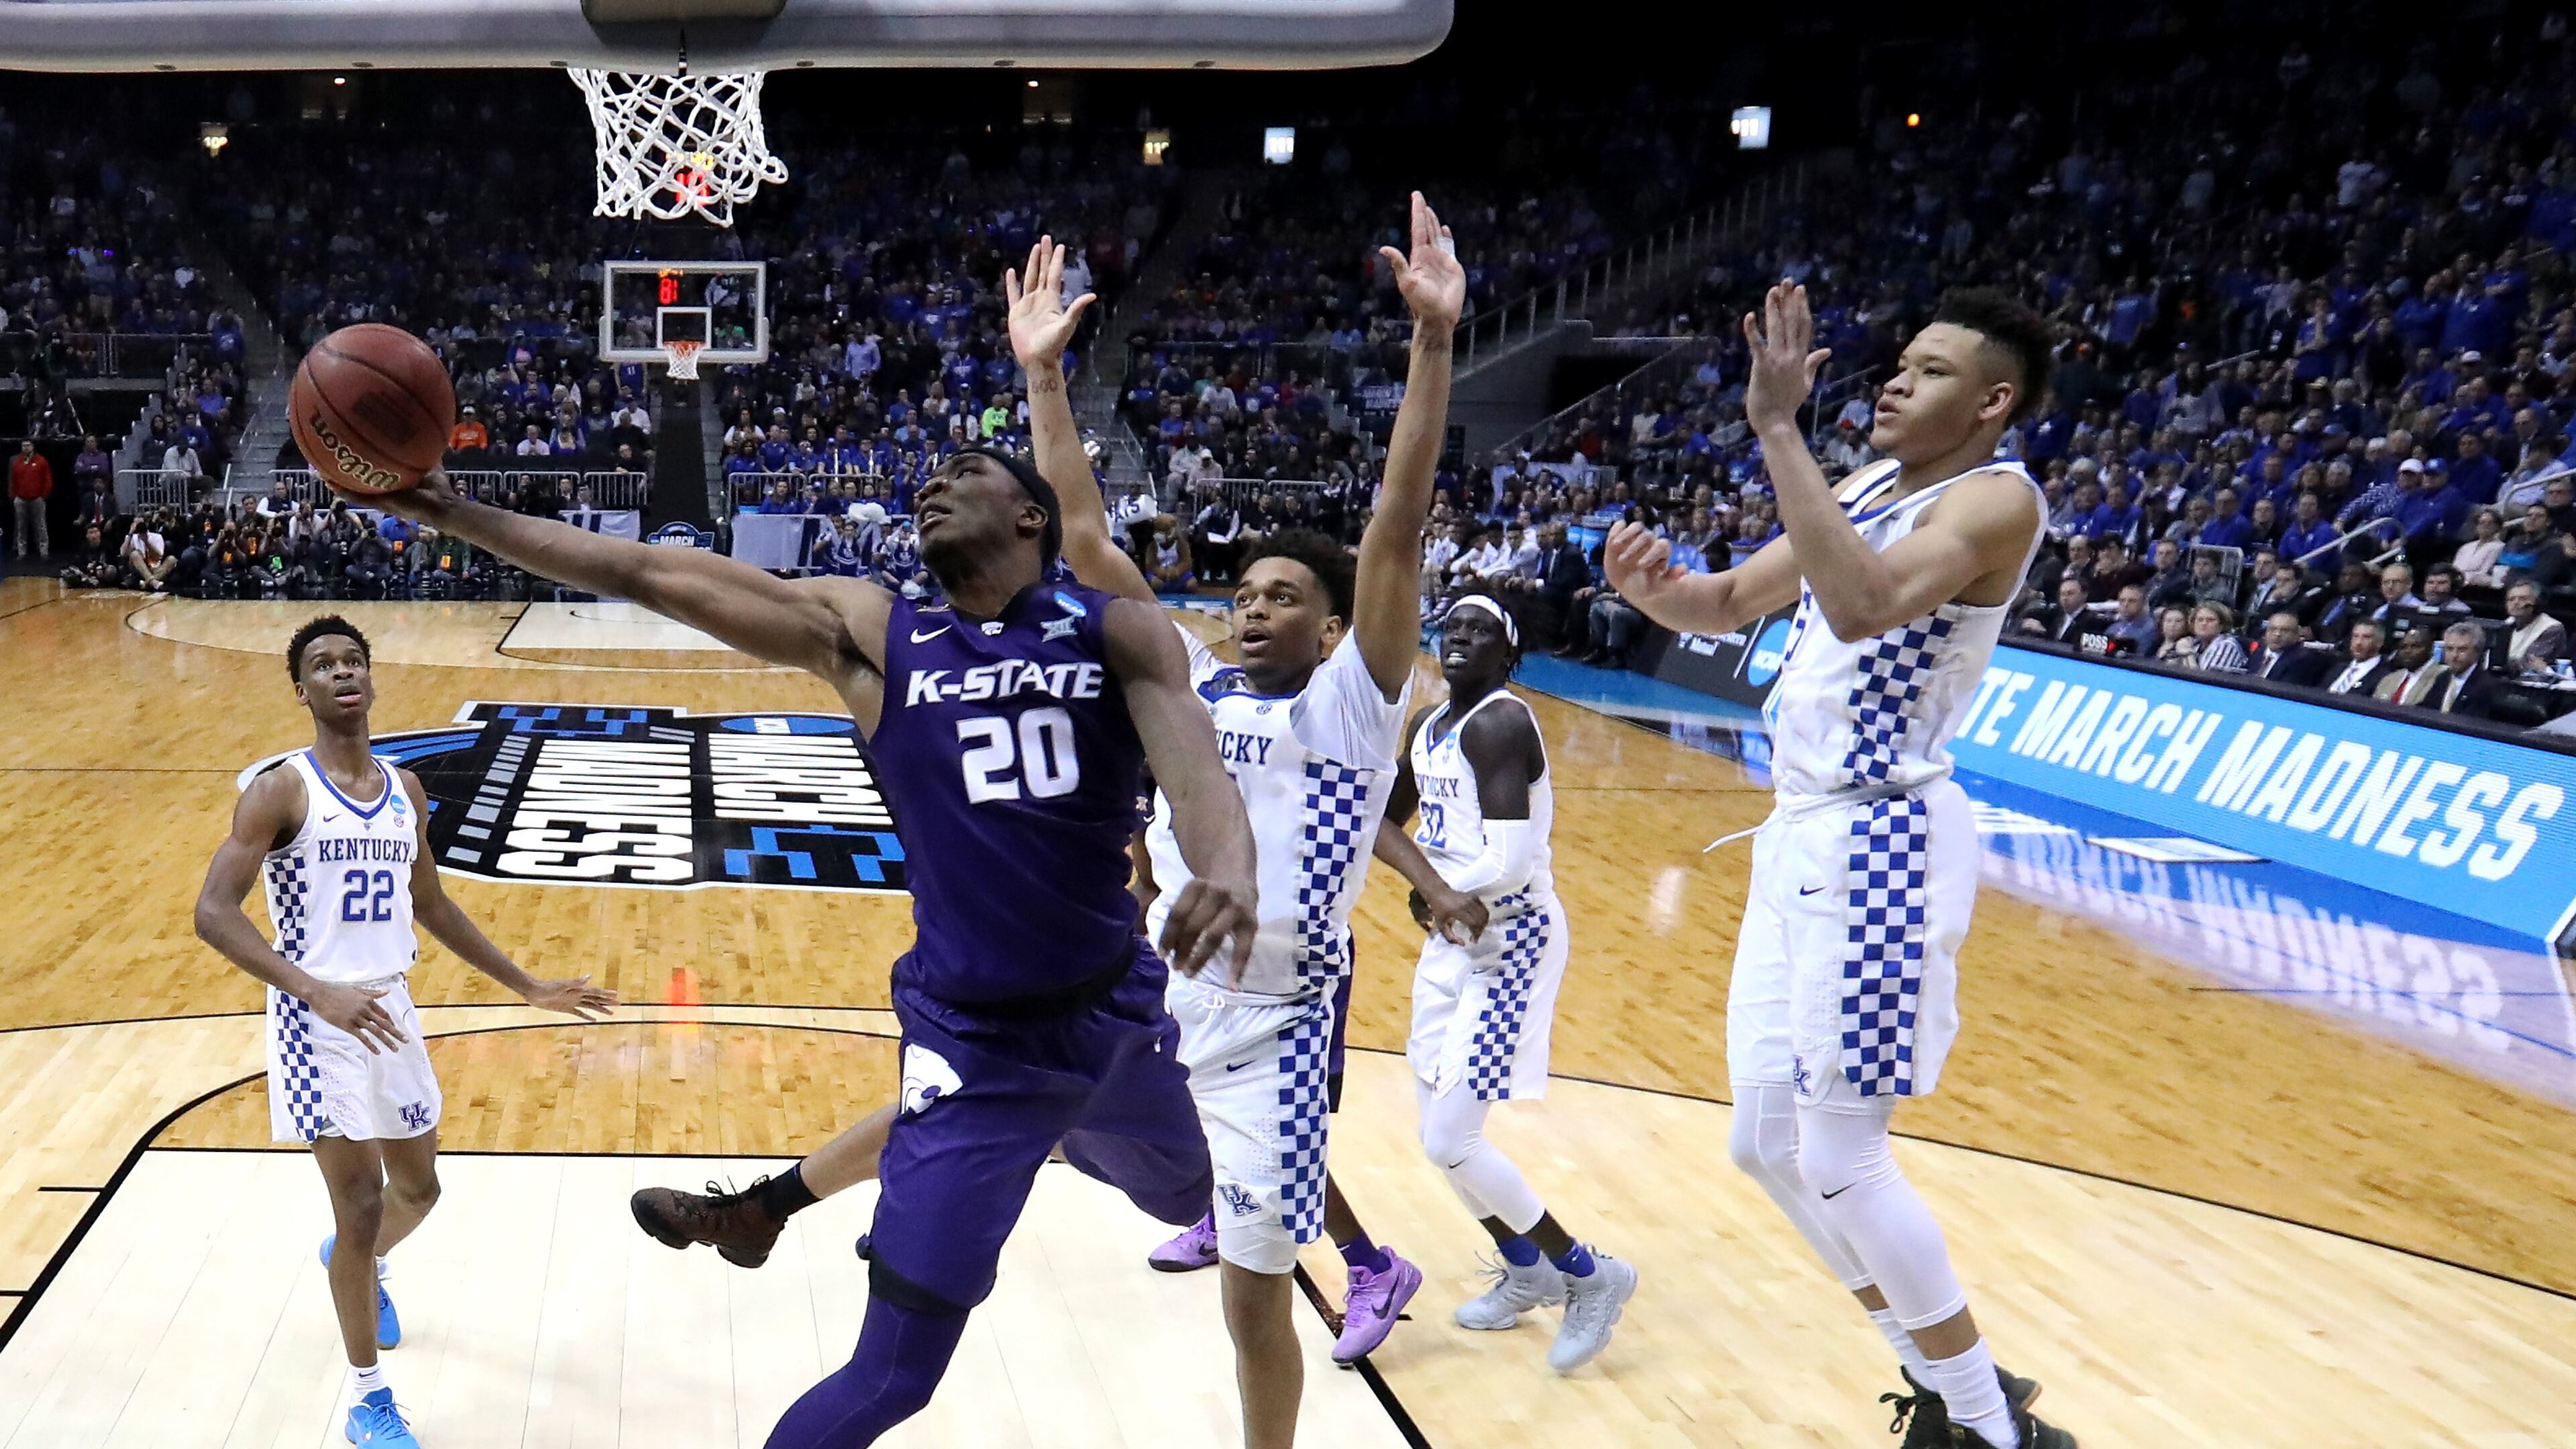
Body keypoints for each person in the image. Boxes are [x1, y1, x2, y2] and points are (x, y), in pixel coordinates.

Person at [340, 442, 1262, 1444]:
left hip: (1118, 1013)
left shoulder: (1117, 630)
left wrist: (1229, 872)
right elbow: (647, 571)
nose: (931, 487)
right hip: (979, 1053)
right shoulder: (876, 636)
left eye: (964, 470)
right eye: (929, 481)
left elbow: (1199, 776)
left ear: (1031, 516)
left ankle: (810, 1198)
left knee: (1190, 1195)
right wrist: (451, 512)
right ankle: (869, 1184)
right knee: (891, 1381)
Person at [1603, 284, 2072, 1449]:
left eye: (1929, 370)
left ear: (1993, 402)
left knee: (1842, 1153)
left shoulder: (1996, 500)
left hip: (1886, 839)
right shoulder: (1862, 488)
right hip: (1798, 831)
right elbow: (1725, 603)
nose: (1895, 382)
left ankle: (1984, 1431)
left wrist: (1776, 428)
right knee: (1763, 1142)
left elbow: (1861, 608)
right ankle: (1951, 1379)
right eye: (1898, 363)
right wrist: (1648, 591)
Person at [192, 617, 616, 1449]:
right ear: (302, 689)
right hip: (315, 1020)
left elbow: (432, 906)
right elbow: (212, 914)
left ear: (370, 678)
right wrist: (316, 991)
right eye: (323, 665)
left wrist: (528, 986)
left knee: (418, 1193)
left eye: (354, 660)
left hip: (391, 1007)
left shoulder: (405, 789)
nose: (343, 673)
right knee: (358, 1207)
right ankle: (367, 1400)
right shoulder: (281, 790)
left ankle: (358, 1262)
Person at [1372, 589, 1635, 1373]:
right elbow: (1382, 818)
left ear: (1508, 652)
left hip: (1511, 941)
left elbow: (1512, 862)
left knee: (1454, 1137)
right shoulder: (1428, 726)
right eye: (1451, 626)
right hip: (1454, 937)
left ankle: (1592, 1277)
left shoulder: (1501, 721)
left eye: (1480, 630)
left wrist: (1440, 888)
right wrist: (1427, 885)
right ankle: (1527, 1272)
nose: (1460, 638)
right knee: (1438, 1141)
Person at [2430, 620, 2501, 718]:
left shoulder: (2486, 686)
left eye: (2462, 650)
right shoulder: (2443, 677)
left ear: (2477, 652)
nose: (2454, 656)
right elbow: (2426, 709)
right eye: (2450, 649)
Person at [2249, 610, 2330, 686]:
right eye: (2272, 629)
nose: (2277, 634)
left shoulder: (2303, 659)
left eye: (2285, 630)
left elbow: (2283, 689)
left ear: (2297, 635)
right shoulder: (2259, 651)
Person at [2504, 581, 2566, 672]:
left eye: (2523, 599)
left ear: (2538, 602)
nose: (2516, 602)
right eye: (2511, 599)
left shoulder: (2551, 628)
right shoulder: (2508, 623)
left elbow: (2530, 663)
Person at [2375, 627, 2444, 706]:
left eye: (2415, 646)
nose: (2408, 651)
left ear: (2430, 649)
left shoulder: (2442, 677)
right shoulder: (2388, 679)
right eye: (2403, 647)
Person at [2326, 619, 2394, 696]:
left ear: (2380, 643)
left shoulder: (2386, 676)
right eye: (2355, 636)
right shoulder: (2338, 667)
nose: (2359, 642)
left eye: (2366, 637)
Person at [9, 438, 52, 559]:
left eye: (28, 445)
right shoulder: (17, 463)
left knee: (41, 526)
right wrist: (15, 496)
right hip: (21, 499)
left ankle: (43, 551)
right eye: (24, 446)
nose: (26, 448)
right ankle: (22, 552)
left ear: (33, 447)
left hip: (37, 499)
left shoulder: (41, 461)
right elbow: (13, 481)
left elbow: (48, 480)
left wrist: (43, 496)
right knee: (21, 526)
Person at [2186, 603, 2249, 672]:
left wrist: (2188, 655)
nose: (2204, 623)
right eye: (2200, 620)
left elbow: (2206, 678)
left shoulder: (2227, 645)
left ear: (2222, 624)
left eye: (2211, 620)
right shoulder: (2194, 643)